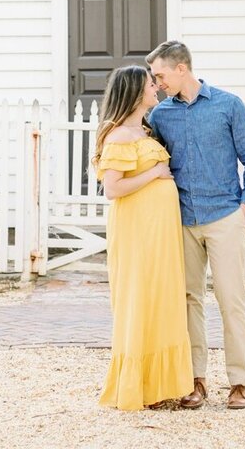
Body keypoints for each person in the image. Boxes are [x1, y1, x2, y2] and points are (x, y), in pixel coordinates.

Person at [146, 40, 245, 411]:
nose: (157, 82)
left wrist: (244, 208)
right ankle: (195, 380)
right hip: (181, 221)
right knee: (187, 301)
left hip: (224, 216)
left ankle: (240, 383)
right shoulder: (161, 115)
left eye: (161, 74)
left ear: (182, 68)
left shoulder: (229, 105)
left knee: (231, 301)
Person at [93, 65, 193, 411]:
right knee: (140, 299)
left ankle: (160, 385)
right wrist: (154, 174)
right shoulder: (119, 136)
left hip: (160, 234)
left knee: (161, 298)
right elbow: (113, 188)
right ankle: (138, 385)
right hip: (137, 233)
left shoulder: (146, 132)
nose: (157, 88)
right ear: (136, 92)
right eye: (152, 84)